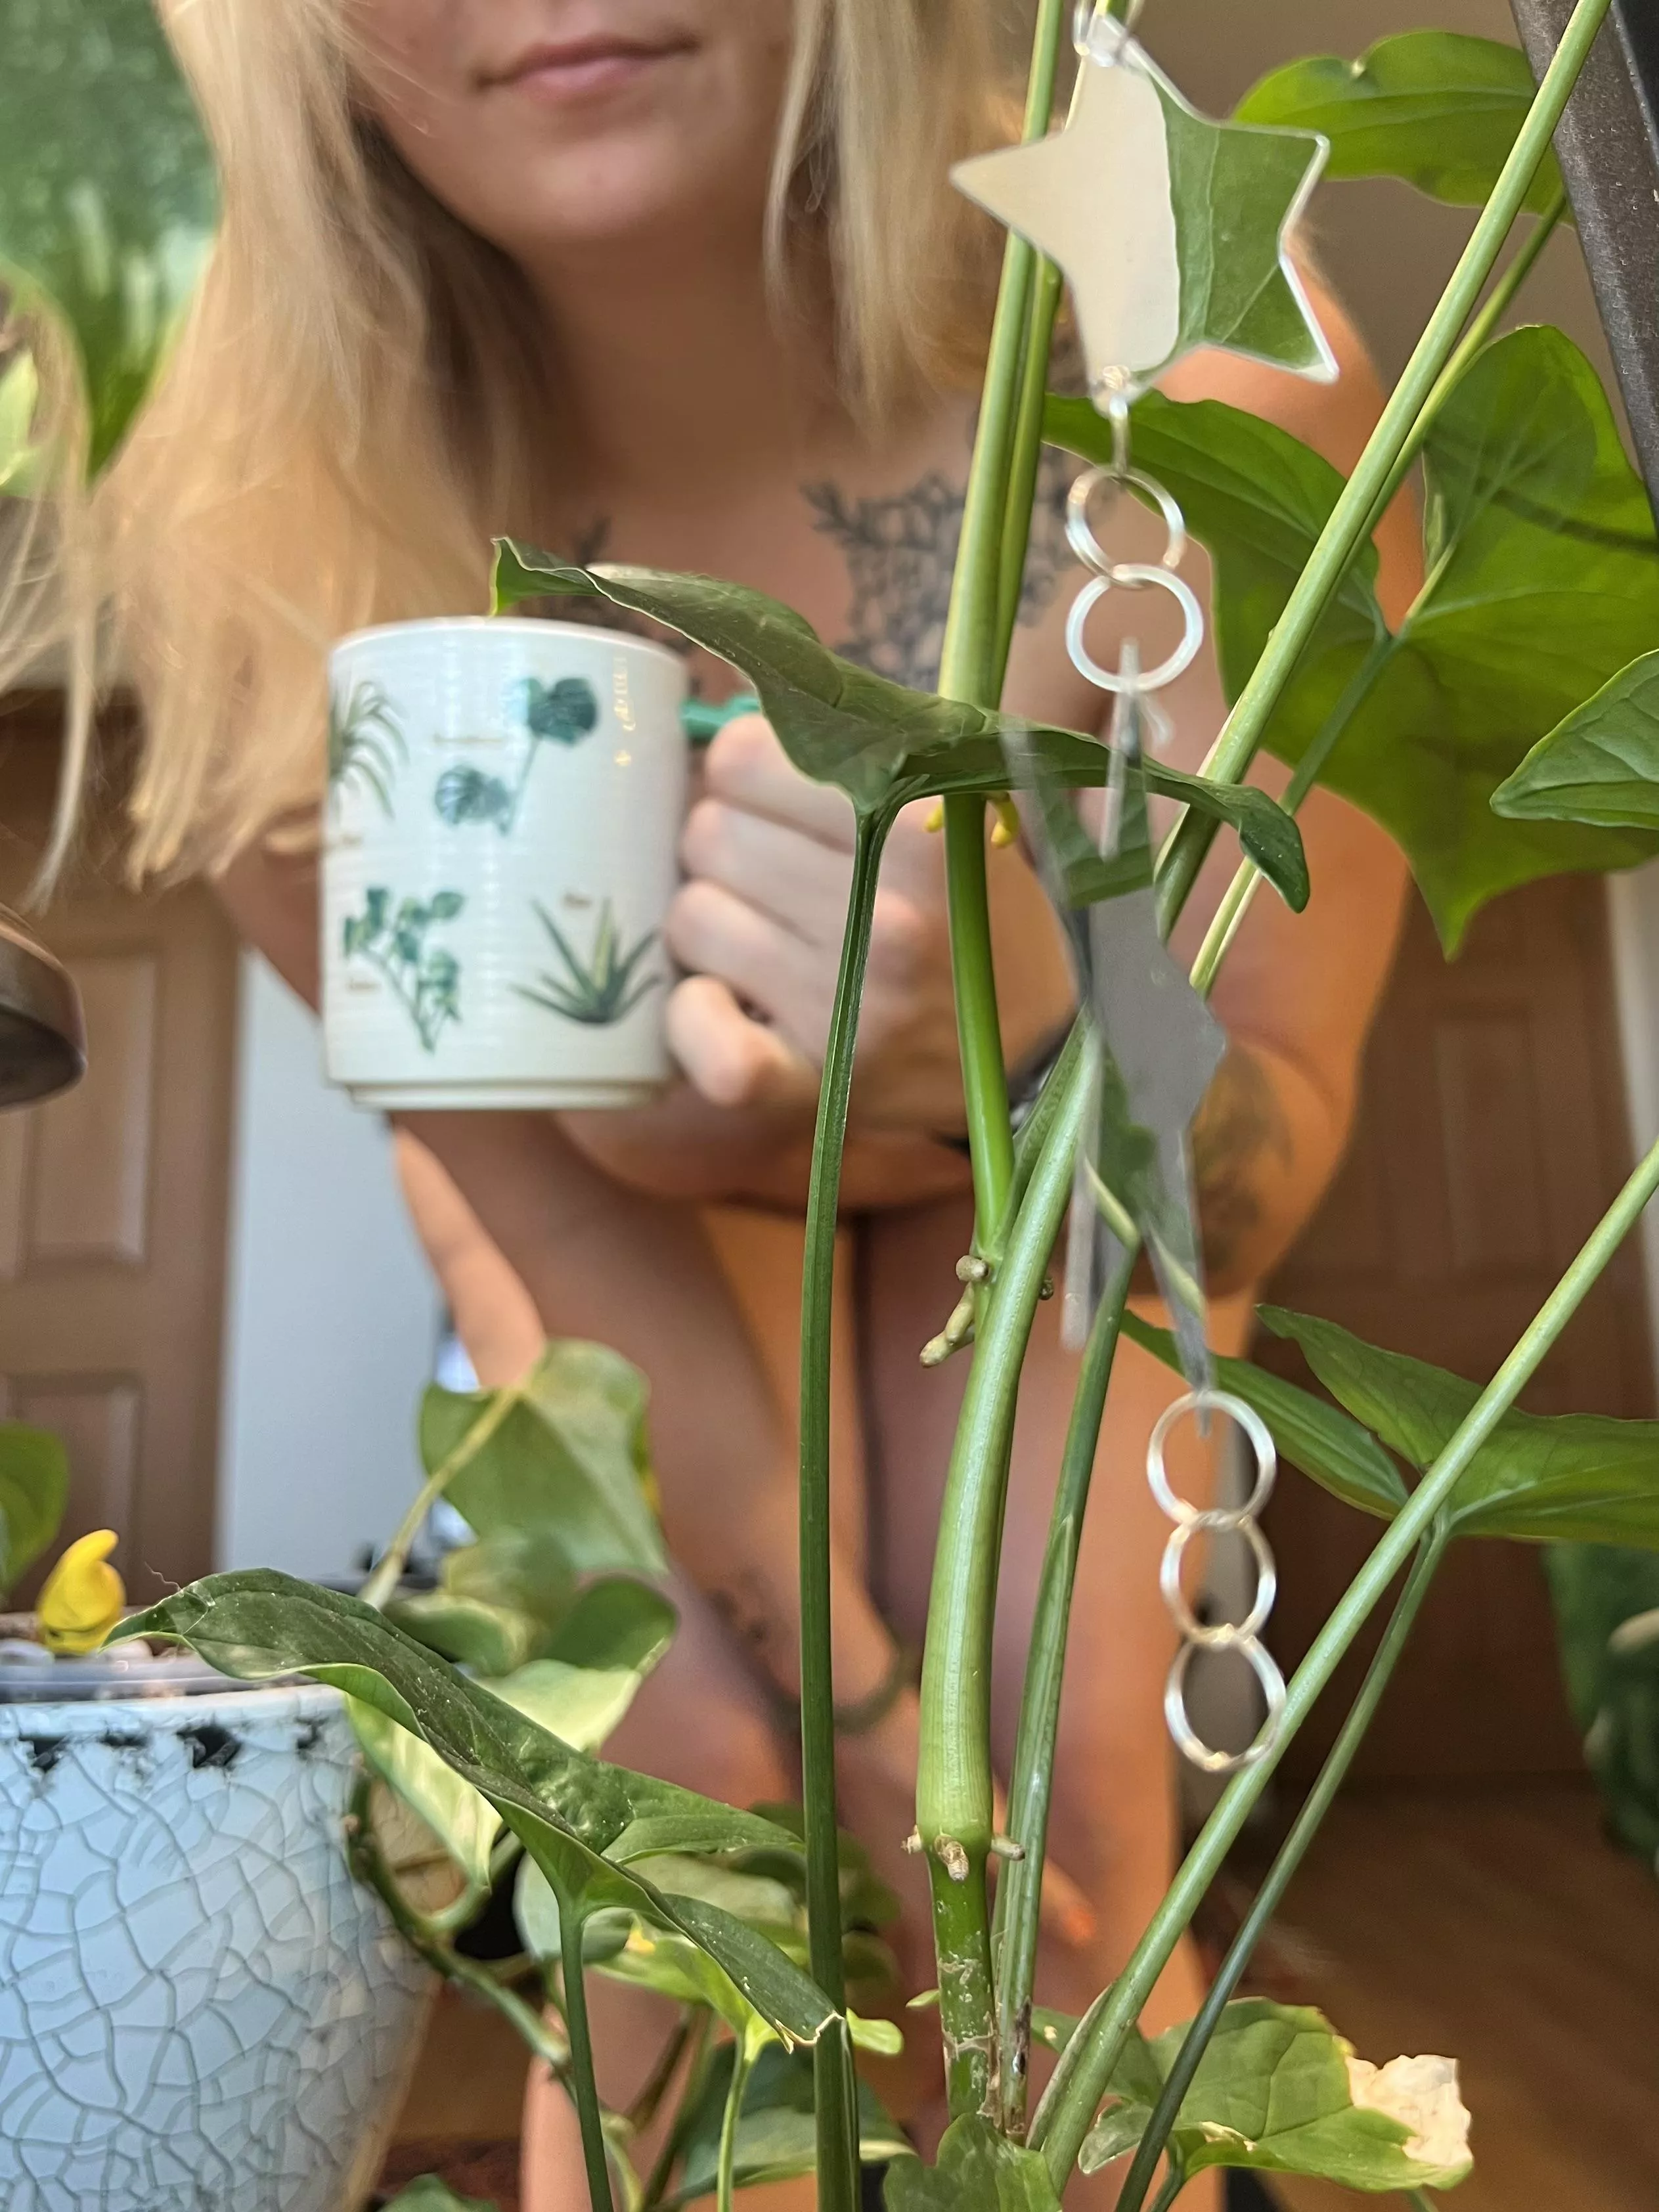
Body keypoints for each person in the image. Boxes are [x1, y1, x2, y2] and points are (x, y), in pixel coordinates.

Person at [12, 3, 1417, 2202]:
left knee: (1062, 1837)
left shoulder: (1193, 321)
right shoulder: (248, 484)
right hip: (604, 1243)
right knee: (675, 1888)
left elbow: (1254, 1130)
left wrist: (1028, 1028)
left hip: (1049, 1202)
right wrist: (843, 1723)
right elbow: (502, 1183)